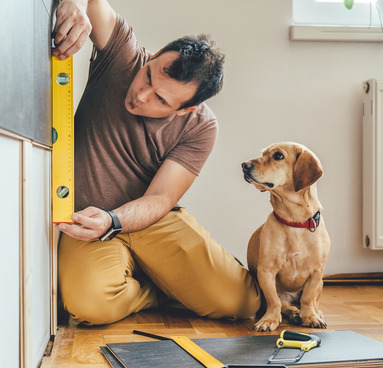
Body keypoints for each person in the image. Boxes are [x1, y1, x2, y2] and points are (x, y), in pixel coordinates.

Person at [52, 0, 260, 325]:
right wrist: (74, 3)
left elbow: (161, 198)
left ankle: (165, 281)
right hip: (88, 221)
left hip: (151, 218)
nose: (142, 95)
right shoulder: (122, 55)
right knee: (90, 306)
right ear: (155, 54)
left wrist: (115, 218)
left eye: (161, 99)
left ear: (185, 109)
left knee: (241, 302)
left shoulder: (201, 126)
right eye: (149, 76)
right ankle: (160, 289)